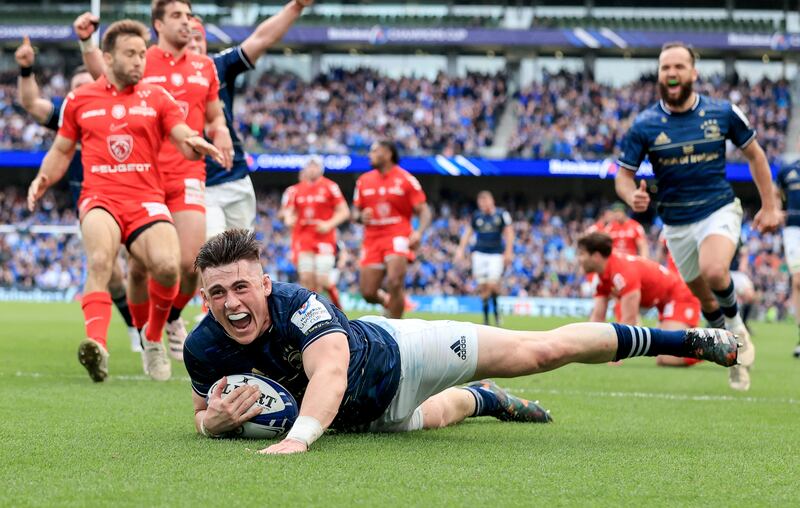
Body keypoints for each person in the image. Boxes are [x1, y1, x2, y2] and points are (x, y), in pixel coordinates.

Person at [184, 229, 739, 455]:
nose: (232, 303)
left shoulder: (296, 303)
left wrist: (300, 439)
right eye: (216, 293)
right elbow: (201, 414)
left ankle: (689, 337)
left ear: (263, 282)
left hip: (401, 356)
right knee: (450, 412)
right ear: (202, 296)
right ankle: (488, 399)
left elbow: (328, 372)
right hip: (359, 419)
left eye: (241, 287)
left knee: (540, 351)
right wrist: (215, 422)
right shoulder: (203, 347)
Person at [26, 19, 223, 382]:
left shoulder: (157, 97)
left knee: (168, 267)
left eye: (142, 54)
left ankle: (152, 338)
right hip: (100, 197)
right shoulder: (80, 99)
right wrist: (43, 177)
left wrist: (193, 144)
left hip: (147, 199)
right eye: (130, 54)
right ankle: (97, 346)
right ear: (107, 58)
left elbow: (180, 133)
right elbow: (61, 148)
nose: (139, 61)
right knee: (101, 260)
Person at [75, 0, 234, 365]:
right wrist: (87, 44)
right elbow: (104, 77)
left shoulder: (205, 66)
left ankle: (171, 319)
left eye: (189, 16)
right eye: (177, 15)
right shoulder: (141, 59)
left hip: (186, 172)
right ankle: (145, 333)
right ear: (158, 24)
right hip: (142, 176)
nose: (187, 23)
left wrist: (220, 132)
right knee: (140, 267)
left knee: (190, 263)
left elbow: (214, 115)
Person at [615, 41, 781, 391]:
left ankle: (737, 328)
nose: (671, 73)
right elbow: (623, 176)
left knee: (715, 269)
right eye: (665, 68)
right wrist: (633, 196)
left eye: (678, 66)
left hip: (718, 209)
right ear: (659, 75)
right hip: (676, 224)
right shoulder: (644, 124)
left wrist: (769, 205)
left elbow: (756, 156)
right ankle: (732, 354)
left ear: (694, 73)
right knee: (705, 298)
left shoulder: (723, 113)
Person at [14, 36, 142, 353]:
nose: (84, 91)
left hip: (136, 199)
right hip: (93, 206)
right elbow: (32, 104)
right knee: (110, 273)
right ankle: (133, 329)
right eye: (78, 86)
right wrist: (27, 69)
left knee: (146, 267)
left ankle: (160, 325)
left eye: (90, 82)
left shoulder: (127, 107)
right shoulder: (71, 112)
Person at [184, 0, 312, 241]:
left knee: (242, 256)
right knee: (214, 250)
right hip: (196, 181)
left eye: (198, 39)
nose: (193, 44)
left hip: (234, 175)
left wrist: (296, 6)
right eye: (187, 38)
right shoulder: (159, 75)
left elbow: (260, 40)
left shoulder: (216, 67)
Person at [578, 232, 703, 368]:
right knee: (663, 357)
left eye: (582, 254)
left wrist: (616, 355)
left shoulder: (622, 272)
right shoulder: (602, 277)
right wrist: (584, 350)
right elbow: (597, 318)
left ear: (596, 256)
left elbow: (629, 319)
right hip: (662, 300)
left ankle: (710, 345)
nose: (579, 259)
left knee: (667, 359)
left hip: (679, 295)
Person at [353, 140, 431, 318]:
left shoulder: (406, 180)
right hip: (372, 238)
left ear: (388, 154)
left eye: (374, 151)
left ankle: (396, 332)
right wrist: (359, 217)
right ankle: (389, 302)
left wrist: (419, 232)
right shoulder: (363, 181)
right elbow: (355, 212)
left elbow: (424, 209)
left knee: (395, 281)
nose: (369, 155)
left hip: (398, 235)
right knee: (368, 292)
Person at [281, 157, 349, 307]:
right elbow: (288, 211)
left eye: (315, 166)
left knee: (322, 280)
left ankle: (339, 308)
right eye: (309, 165)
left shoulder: (330, 187)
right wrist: (288, 218)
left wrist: (329, 224)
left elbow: (344, 211)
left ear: (321, 168)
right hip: (304, 239)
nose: (312, 168)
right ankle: (315, 313)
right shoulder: (296, 190)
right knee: (306, 279)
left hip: (325, 239)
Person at [455, 190, 514, 326]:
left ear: (491, 201)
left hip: (495, 254)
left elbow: (509, 233)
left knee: (492, 285)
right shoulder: (477, 216)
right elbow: (468, 233)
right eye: (480, 202)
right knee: (483, 287)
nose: (483, 205)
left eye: (485, 201)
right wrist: (460, 249)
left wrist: (508, 252)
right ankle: (487, 318)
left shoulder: (501, 214)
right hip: (479, 254)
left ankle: (496, 313)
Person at [775, 159, 800, 357]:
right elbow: (775, 191)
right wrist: (775, 209)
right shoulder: (788, 170)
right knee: (798, 281)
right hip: (793, 230)